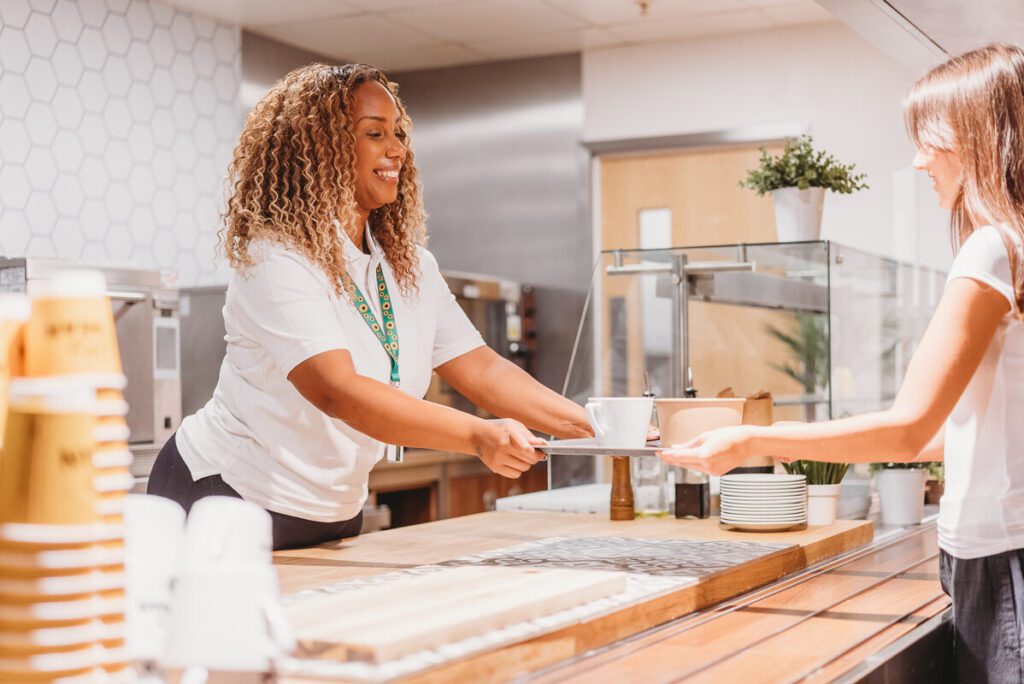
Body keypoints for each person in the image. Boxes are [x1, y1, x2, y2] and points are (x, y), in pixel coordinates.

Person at [659, 44, 1024, 683]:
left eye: (928, 138)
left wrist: (754, 437)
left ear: (977, 135)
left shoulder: (992, 249)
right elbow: (948, 437)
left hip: (1003, 562)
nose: (917, 161)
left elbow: (909, 427)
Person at [148, 64, 592, 550]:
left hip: (331, 508)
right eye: (375, 133)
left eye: (398, 133)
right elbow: (338, 390)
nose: (398, 149)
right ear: (320, 147)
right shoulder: (275, 256)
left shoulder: (410, 267)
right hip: (227, 495)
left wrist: (595, 426)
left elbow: (482, 369)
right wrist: (477, 435)